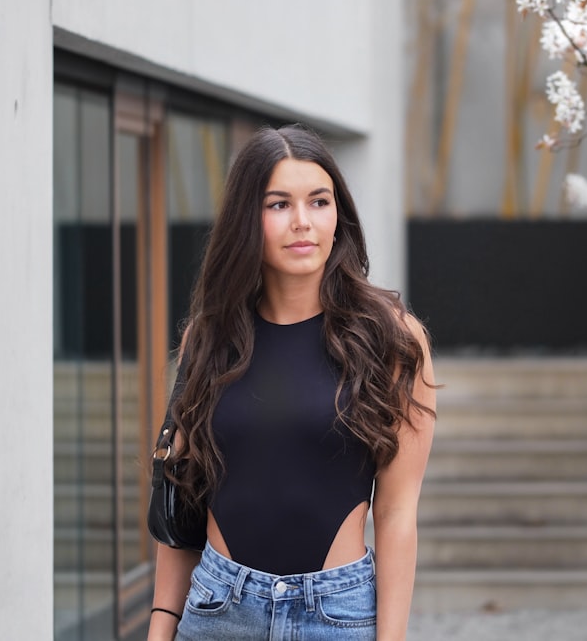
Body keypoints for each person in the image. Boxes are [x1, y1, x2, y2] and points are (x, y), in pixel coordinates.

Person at [147, 124, 436, 641]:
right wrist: (161, 625)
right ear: (246, 220)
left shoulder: (392, 339)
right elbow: (183, 496)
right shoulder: (208, 339)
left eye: (319, 201)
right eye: (278, 204)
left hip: (336, 614)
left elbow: (396, 513)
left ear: (337, 214)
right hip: (218, 608)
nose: (303, 222)